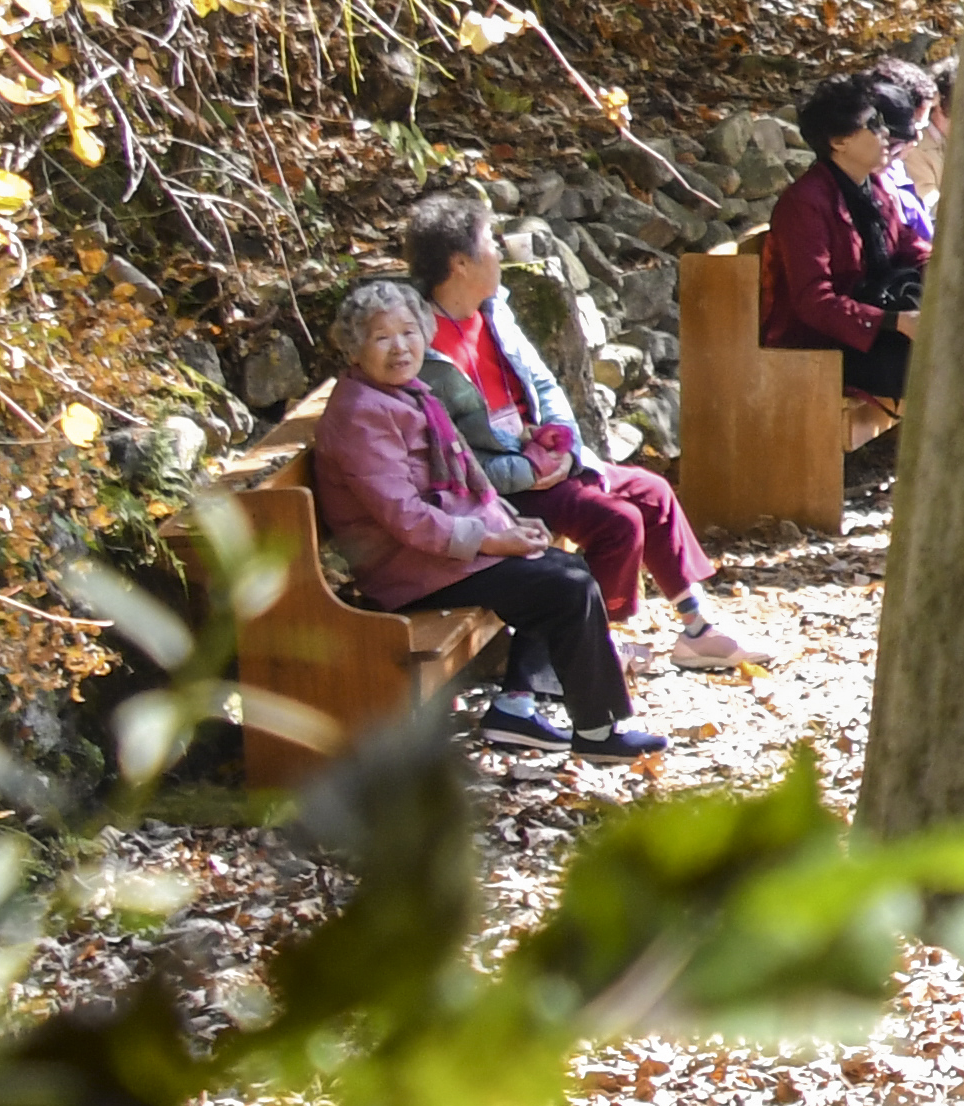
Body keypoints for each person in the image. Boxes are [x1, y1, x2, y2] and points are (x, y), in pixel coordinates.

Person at [403, 201, 765, 675]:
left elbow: (546, 385)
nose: (500, 250)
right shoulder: (421, 347)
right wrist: (529, 471)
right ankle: (595, 646)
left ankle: (696, 629)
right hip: (496, 493)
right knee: (618, 522)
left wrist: (567, 448)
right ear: (460, 263)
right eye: (491, 242)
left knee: (651, 492)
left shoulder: (492, 311)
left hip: (543, 463)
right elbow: (454, 457)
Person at [306, 276, 653, 758]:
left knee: (560, 567)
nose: (400, 347)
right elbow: (404, 517)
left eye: (409, 332)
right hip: (405, 569)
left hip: (437, 552)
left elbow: (462, 481)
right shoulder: (361, 413)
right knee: (563, 586)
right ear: (354, 349)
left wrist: (507, 524)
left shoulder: (409, 393)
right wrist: (493, 542)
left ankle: (527, 710)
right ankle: (595, 733)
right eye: (381, 337)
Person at [761, 70, 930, 429]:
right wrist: (894, 321)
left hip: (876, 329)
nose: (886, 134)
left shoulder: (876, 186)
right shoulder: (804, 204)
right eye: (873, 125)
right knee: (946, 360)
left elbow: (908, 246)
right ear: (839, 141)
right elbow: (814, 301)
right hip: (827, 344)